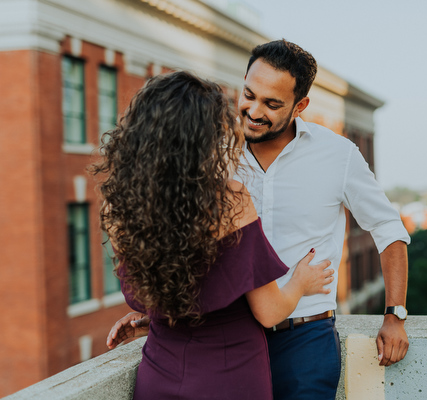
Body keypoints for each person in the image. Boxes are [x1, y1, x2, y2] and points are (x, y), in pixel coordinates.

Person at [108, 40, 411, 400]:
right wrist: (169, 313)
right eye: (249, 94)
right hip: (228, 339)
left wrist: (395, 314)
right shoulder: (209, 152)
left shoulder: (338, 155)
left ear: (300, 106)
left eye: (271, 104)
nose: (253, 110)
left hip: (303, 341)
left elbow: (387, 228)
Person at [94, 70, 334, 399]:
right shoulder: (228, 199)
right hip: (230, 375)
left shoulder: (118, 206)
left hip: (158, 374)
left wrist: (155, 316)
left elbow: (174, 289)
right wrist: (301, 281)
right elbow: (270, 312)